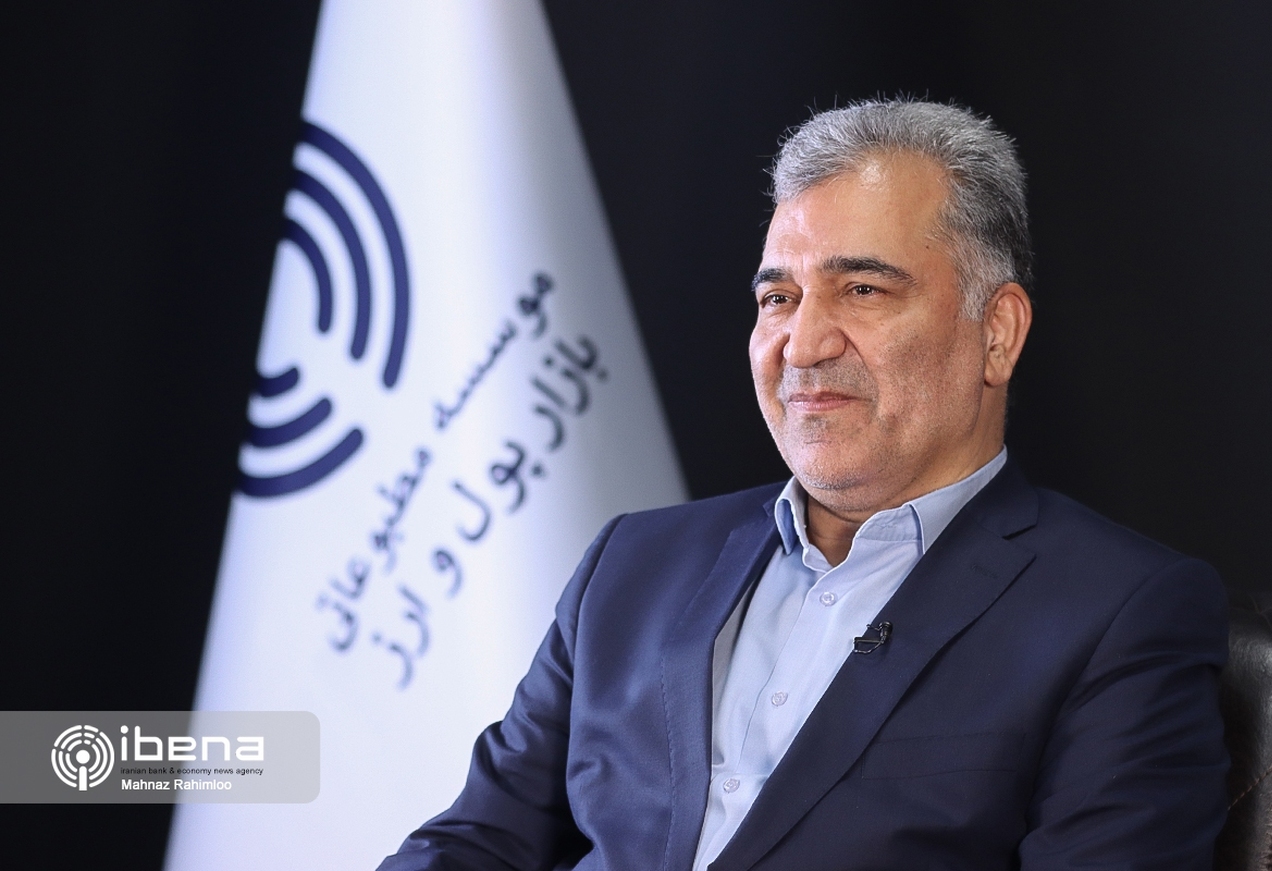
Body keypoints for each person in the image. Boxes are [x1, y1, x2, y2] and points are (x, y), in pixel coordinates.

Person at [378, 99, 1228, 870]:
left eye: (862, 289)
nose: (804, 342)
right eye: (778, 297)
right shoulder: (631, 564)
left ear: (997, 332)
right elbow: (475, 843)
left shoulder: (1121, 613)